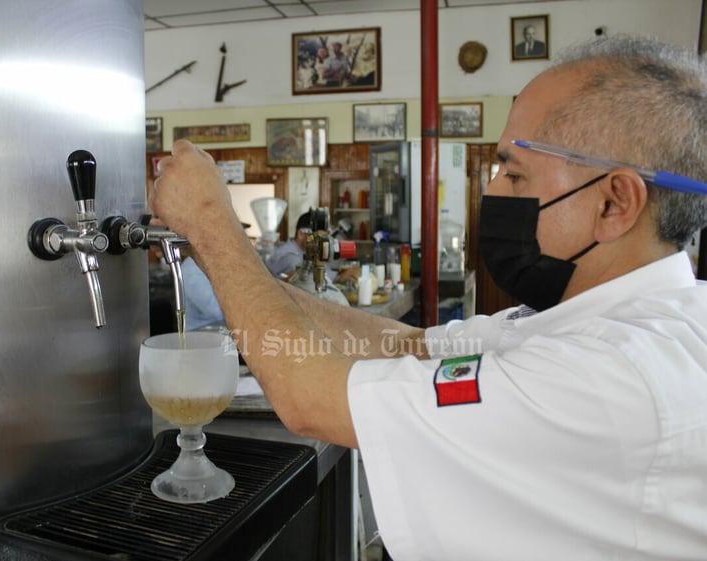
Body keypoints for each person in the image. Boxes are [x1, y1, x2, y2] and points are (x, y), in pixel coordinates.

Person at [150, 35, 707, 561]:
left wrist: (212, 222)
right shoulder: (594, 320)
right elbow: (409, 345)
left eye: (514, 175)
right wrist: (218, 256)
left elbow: (309, 400)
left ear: (615, 203)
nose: (491, 192)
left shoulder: (612, 376)